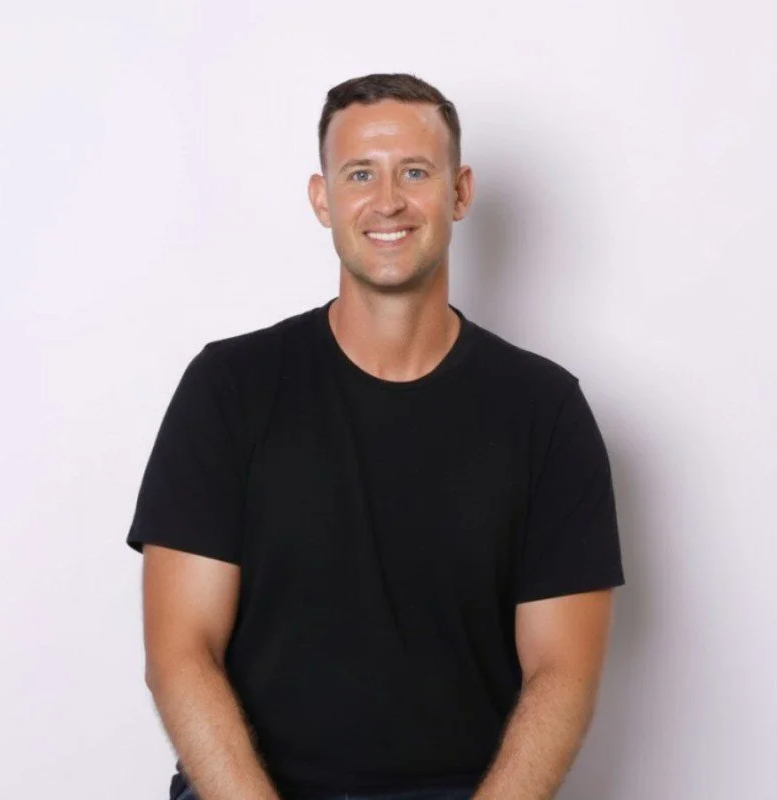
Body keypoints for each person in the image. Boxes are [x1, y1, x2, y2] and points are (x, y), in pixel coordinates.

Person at [126, 73, 625, 800]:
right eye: (360, 173)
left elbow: (563, 673)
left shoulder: (545, 411)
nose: (387, 200)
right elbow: (180, 654)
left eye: (414, 172)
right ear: (322, 199)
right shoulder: (229, 389)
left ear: (460, 192)